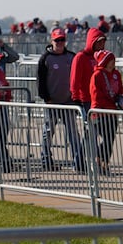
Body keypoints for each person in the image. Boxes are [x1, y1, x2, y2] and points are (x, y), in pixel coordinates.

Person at [34, 28, 83, 170]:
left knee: (73, 133)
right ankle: (46, 160)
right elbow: (40, 81)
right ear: (52, 41)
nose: (60, 43)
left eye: (62, 40)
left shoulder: (72, 57)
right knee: (48, 132)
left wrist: (76, 98)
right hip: (52, 102)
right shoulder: (45, 58)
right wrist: (46, 98)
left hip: (69, 102)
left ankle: (78, 162)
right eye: (57, 40)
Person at [88, 49, 123, 174]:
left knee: (110, 139)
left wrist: (119, 99)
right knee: (105, 138)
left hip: (112, 112)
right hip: (100, 112)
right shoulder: (97, 75)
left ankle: (104, 163)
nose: (112, 63)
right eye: (110, 60)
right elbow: (95, 95)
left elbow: (120, 90)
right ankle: (98, 160)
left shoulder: (116, 74)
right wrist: (100, 108)